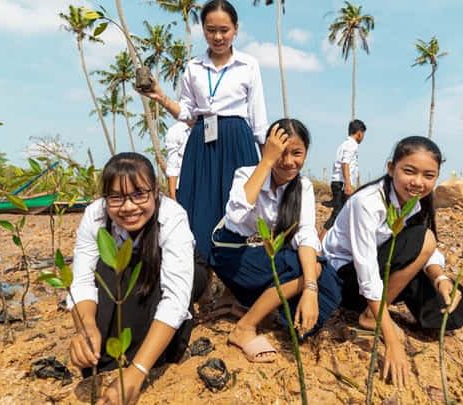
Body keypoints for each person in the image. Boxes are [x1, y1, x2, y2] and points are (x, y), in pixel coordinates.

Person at [322, 136, 463, 387]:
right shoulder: (367, 203)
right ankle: (371, 316)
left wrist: (441, 279)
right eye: (409, 171)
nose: (418, 183)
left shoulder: (417, 203)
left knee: (452, 312)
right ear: (391, 168)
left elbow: (425, 252)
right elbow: (367, 269)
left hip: (388, 269)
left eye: (428, 176)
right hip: (345, 280)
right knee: (424, 238)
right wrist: (390, 338)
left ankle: (381, 309)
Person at [67, 152, 209, 404]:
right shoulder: (95, 216)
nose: (129, 207)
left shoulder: (172, 217)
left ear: (155, 191)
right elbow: (82, 280)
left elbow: (175, 298)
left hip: (180, 270)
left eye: (139, 194)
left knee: (152, 289)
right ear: (105, 198)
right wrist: (86, 327)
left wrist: (136, 374)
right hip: (128, 269)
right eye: (117, 197)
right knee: (106, 270)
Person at [140, 0, 267, 260]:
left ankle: (232, 288)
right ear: (203, 30)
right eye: (211, 30)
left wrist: (268, 165)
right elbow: (187, 114)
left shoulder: (248, 65)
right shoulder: (193, 68)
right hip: (202, 142)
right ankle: (203, 280)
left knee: (239, 210)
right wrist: (161, 97)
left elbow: (258, 119)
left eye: (224, 30)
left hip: (237, 140)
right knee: (199, 209)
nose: (218, 37)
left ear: (236, 29)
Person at [211, 119, 342, 362]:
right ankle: (245, 327)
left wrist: (310, 289)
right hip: (235, 255)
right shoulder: (247, 174)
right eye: (281, 152)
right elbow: (236, 214)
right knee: (302, 270)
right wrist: (267, 161)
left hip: (266, 255)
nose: (289, 161)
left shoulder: (302, 186)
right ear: (268, 149)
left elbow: (305, 234)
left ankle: (255, 306)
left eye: (297, 153)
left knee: (325, 281)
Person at [323, 119, 365, 230]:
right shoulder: (352, 145)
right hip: (342, 183)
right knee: (338, 214)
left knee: (342, 214)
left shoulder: (344, 145)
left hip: (338, 182)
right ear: (360, 133)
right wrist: (347, 184)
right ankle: (320, 242)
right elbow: (345, 163)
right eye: (363, 135)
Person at [164, 121, 193, 201]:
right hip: (182, 188)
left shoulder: (209, 126)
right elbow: (172, 167)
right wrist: (173, 198)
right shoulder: (175, 131)